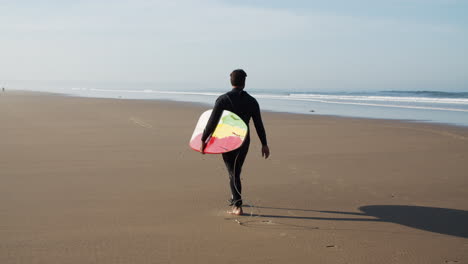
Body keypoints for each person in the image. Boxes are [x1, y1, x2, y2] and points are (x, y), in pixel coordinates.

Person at [200, 69, 270, 215]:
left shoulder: (223, 99)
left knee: (233, 173)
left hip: (226, 140)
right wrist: (264, 144)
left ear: (231, 81)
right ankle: (234, 198)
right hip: (244, 141)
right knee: (235, 171)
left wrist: (203, 139)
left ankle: (237, 205)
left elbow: (212, 122)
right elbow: (258, 124)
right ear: (244, 82)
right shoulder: (252, 101)